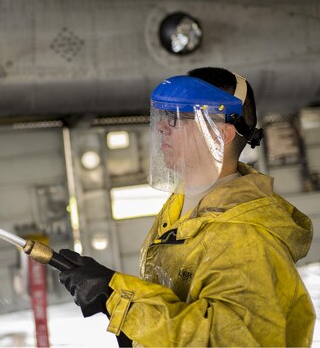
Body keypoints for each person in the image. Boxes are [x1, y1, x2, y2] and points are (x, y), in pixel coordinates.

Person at [58, 67, 315, 346]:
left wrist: (117, 298)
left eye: (177, 118)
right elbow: (177, 303)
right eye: (163, 116)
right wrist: (114, 302)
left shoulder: (245, 235)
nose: (160, 127)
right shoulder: (182, 206)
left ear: (222, 133)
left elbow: (229, 341)